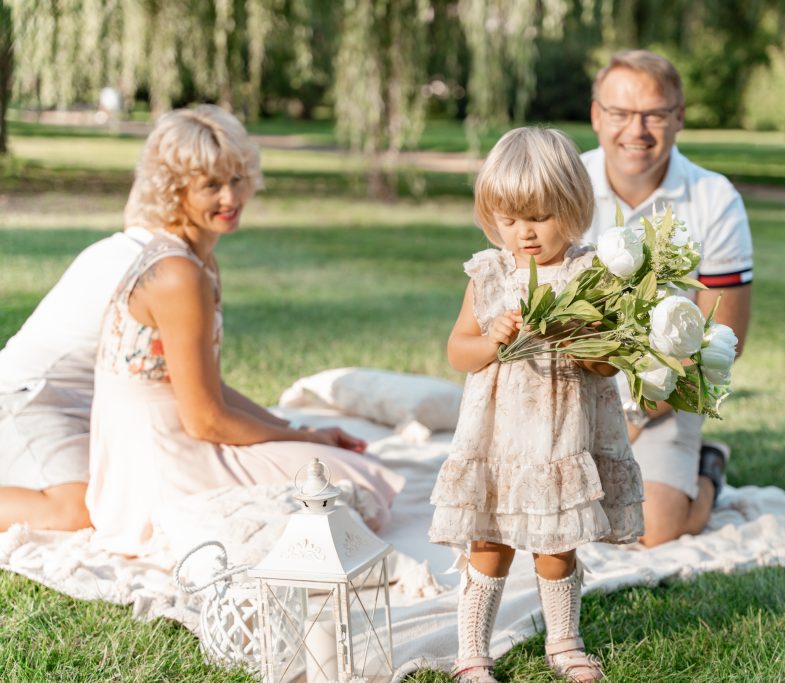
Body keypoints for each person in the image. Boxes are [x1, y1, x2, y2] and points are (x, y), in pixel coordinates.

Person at [84, 105, 404, 556]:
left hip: (168, 434)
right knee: (345, 489)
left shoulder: (196, 259)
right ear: (174, 190)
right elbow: (205, 419)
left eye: (237, 180)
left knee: (346, 473)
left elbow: (209, 388)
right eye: (211, 186)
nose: (230, 199)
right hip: (157, 460)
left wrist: (293, 427)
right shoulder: (178, 274)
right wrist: (306, 437)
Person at [429, 127, 644, 683]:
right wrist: (493, 338)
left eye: (539, 217)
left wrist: (583, 337)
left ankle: (564, 641)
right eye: (509, 218)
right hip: (499, 436)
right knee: (489, 541)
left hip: (559, 438)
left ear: (571, 208)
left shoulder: (588, 275)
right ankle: (473, 651)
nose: (524, 232)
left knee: (556, 543)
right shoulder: (489, 273)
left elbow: (607, 364)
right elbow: (459, 351)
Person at [582, 50, 753, 546]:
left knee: (652, 529)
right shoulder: (564, 185)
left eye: (654, 114)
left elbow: (726, 335)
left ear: (678, 117)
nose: (637, 130)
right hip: (576, 390)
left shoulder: (714, 199)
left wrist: (637, 415)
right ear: (596, 116)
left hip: (666, 394)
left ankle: (706, 469)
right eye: (620, 113)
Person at [0, 218, 152, 532]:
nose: (229, 198)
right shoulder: (140, 262)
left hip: (76, 409)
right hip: (28, 398)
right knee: (78, 510)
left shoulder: (143, 253)